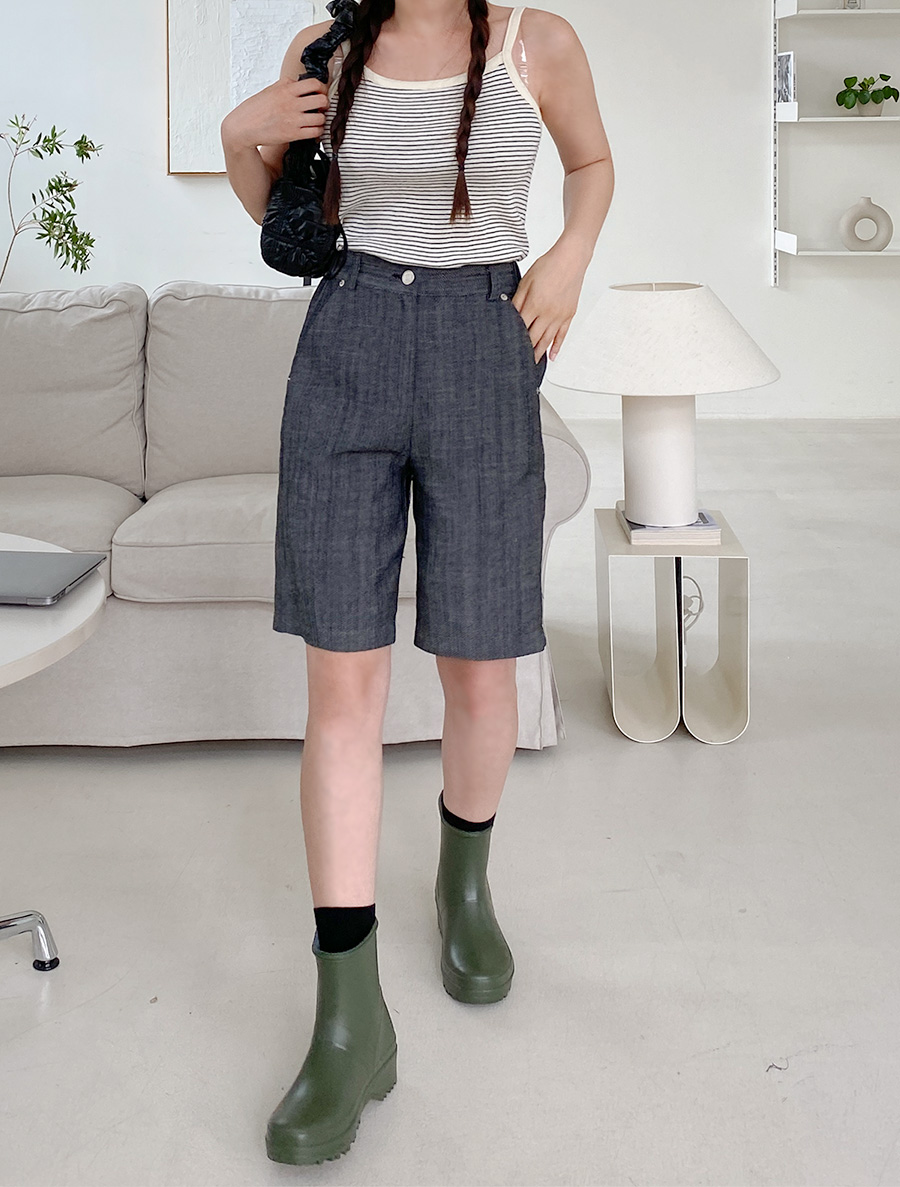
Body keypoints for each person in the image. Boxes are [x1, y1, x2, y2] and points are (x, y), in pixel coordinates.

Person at [221, 0, 613, 1165]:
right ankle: (350, 1017)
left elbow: (592, 163)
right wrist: (243, 134)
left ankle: (465, 886)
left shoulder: (537, 41)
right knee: (342, 688)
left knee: (481, 666)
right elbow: (286, 225)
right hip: (346, 342)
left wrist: (568, 256)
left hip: (485, 341)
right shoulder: (326, 48)